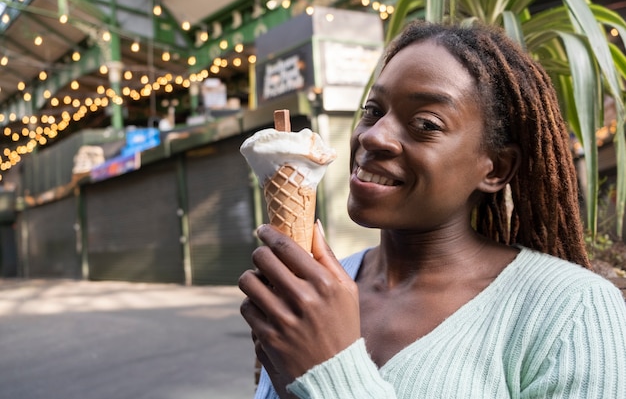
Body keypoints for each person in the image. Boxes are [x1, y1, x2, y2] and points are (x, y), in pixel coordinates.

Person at [238, 20, 626, 398]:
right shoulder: (313, 293)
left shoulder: (574, 311)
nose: (373, 136)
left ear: (495, 169)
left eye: (425, 123)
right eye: (373, 110)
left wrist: (331, 372)